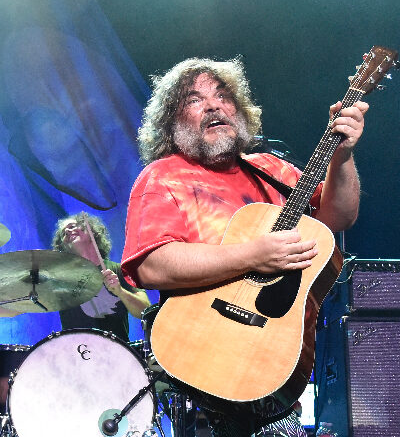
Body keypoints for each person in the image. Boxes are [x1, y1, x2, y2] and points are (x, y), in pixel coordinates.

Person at [121, 57, 366, 436]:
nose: (213, 105)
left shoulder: (273, 168)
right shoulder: (163, 176)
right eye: (194, 99)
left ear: (240, 109)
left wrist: (343, 155)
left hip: (273, 373)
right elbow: (153, 266)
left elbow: (338, 218)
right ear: (173, 122)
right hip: (198, 368)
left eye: (223, 96)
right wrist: (253, 255)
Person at [51, 212, 150, 342]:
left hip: (119, 352)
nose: (68, 231)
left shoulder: (118, 270)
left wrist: (120, 291)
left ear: (92, 231)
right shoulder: (62, 281)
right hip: (77, 355)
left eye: (72, 226)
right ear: (63, 247)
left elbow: (144, 310)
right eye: (63, 233)